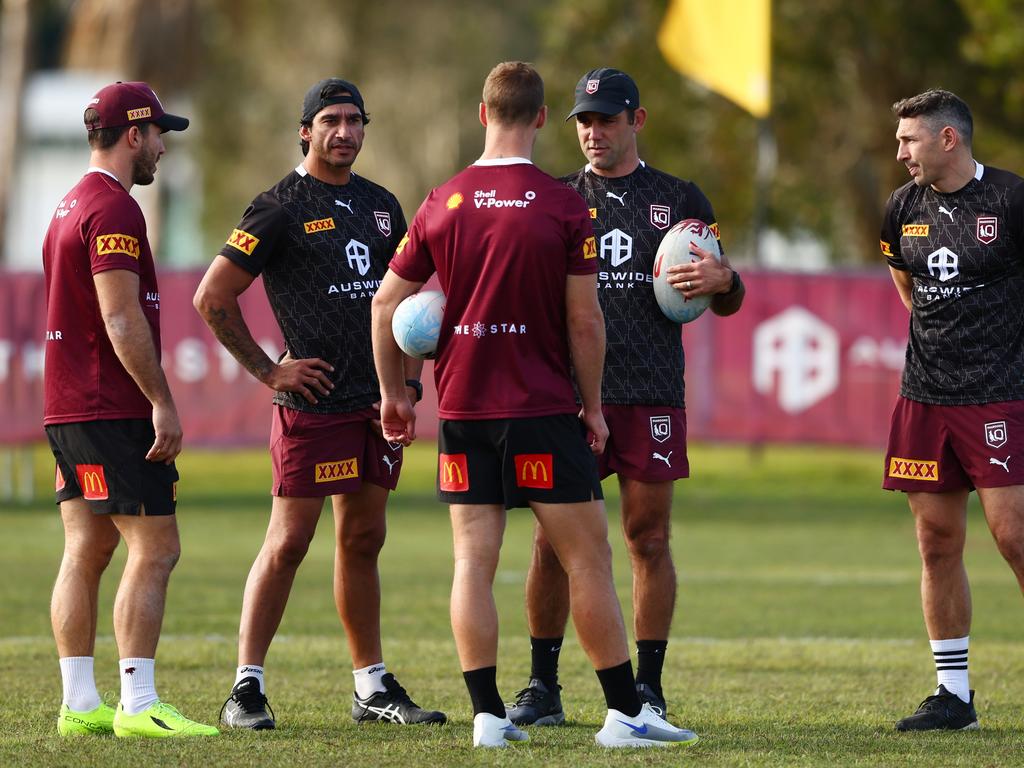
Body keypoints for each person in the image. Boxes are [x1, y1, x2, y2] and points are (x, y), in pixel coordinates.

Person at [371, 60, 698, 749]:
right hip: (542, 407)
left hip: (463, 409)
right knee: (588, 557)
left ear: (482, 113)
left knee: (473, 562)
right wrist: (596, 408)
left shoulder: (444, 200)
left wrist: (394, 396)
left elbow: (385, 304)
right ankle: (623, 713)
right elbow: (585, 322)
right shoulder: (561, 205)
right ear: (544, 119)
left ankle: (488, 716)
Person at [193, 78, 444, 730]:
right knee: (289, 544)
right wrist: (268, 370)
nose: (345, 132)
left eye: (355, 120)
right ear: (306, 131)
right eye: (331, 120)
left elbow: (409, 308)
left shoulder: (383, 206)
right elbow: (212, 298)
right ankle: (245, 689)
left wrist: (408, 387)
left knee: (363, 539)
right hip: (315, 409)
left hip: (376, 407)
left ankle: (371, 686)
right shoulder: (278, 206)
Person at [507, 68, 745, 727]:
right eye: (584, 120)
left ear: (636, 122)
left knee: (647, 538)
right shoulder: (553, 197)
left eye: (607, 119)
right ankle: (542, 686)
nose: (593, 132)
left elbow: (727, 295)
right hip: (566, 398)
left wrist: (724, 279)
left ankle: (649, 688)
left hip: (651, 395)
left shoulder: (680, 197)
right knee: (550, 543)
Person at [43, 81, 218, 738]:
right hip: (109, 407)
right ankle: (138, 704)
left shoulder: (66, 204)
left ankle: (79, 704)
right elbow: (119, 317)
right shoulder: (114, 209)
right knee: (157, 547)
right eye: (159, 135)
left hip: (65, 407)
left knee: (86, 547)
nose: (164, 149)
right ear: (134, 134)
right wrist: (162, 402)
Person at [880, 89, 1024, 732]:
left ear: (948, 139)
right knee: (936, 543)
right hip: (925, 399)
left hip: (1001, 394)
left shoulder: (1012, 200)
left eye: (911, 139)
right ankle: (953, 696)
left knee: (1015, 538)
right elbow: (906, 288)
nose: (901, 151)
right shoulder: (901, 207)